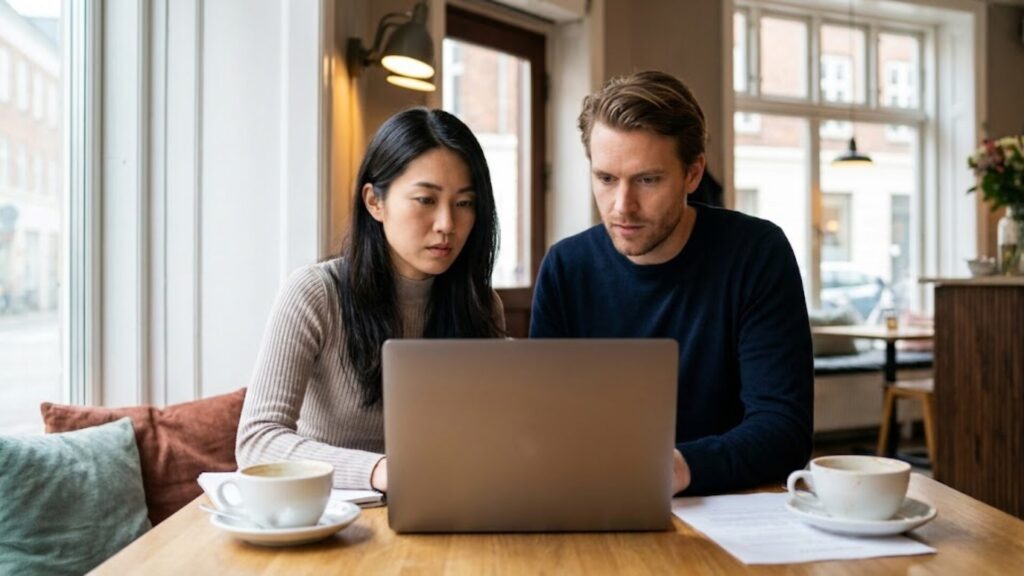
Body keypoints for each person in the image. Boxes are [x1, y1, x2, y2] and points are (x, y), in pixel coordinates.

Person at [529, 71, 813, 495]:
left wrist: (678, 467)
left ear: (693, 173)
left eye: (647, 180)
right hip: (596, 498)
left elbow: (784, 431)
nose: (622, 206)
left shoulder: (757, 252)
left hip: (730, 506)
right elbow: (543, 421)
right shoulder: (565, 267)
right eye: (606, 179)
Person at [237, 108, 506, 492]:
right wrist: (381, 470)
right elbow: (256, 441)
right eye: (426, 200)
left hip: (442, 511)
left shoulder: (479, 304)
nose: (447, 223)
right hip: (331, 517)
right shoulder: (314, 293)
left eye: (464, 203)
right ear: (374, 202)